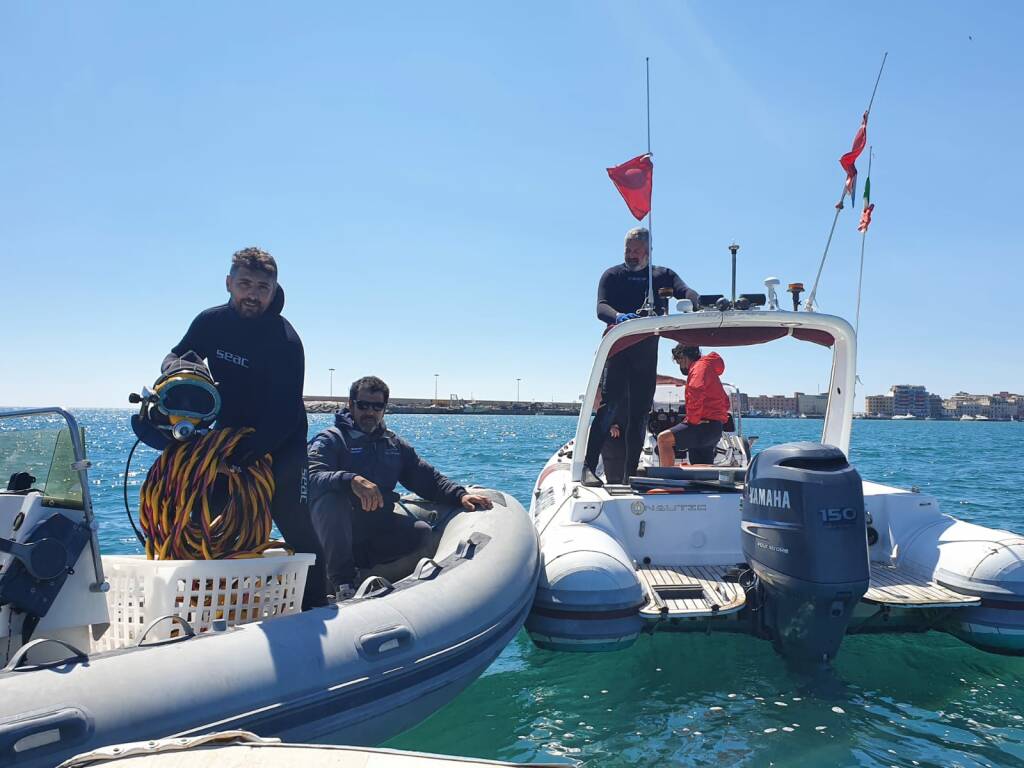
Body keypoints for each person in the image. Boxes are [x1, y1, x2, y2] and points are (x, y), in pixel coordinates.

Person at [163, 247, 327, 610]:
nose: (252, 294)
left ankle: (317, 604)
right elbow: (177, 354)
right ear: (228, 283)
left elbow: (285, 411)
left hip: (281, 439)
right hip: (227, 435)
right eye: (245, 284)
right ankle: (207, 606)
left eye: (262, 287)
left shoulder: (284, 340)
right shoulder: (211, 322)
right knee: (204, 517)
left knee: (293, 521)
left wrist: (247, 456)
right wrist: (175, 370)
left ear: (274, 290)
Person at [308, 375, 494, 597]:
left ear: (384, 409)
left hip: (375, 526)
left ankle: (369, 577)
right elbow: (310, 476)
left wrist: (460, 496)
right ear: (351, 405)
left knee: (422, 533)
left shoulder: (393, 445)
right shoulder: (331, 440)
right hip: (337, 528)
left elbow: (427, 478)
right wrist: (349, 480)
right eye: (363, 405)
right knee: (331, 497)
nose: (370, 412)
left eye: (377, 406)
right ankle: (343, 584)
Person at [583, 227, 700, 482]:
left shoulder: (662, 275)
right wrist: (618, 318)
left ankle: (629, 474)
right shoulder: (612, 275)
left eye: (636, 251)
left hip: (646, 355)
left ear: (648, 252)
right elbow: (601, 307)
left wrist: (696, 301)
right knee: (609, 408)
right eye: (627, 250)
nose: (631, 255)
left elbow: (685, 291)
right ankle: (588, 467)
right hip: (619, 348)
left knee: (639, 414)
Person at [657, 345, 730, 467]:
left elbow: (696, 391)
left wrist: (692, 421)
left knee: (663, 439)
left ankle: (667, 480)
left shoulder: (698, 368)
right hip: (715, 427)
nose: (680, 366)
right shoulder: (708, 367)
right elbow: (725, 401)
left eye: (678, 362)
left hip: (703, 425)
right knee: (700, 465)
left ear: (683, 357)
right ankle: (703, 485)